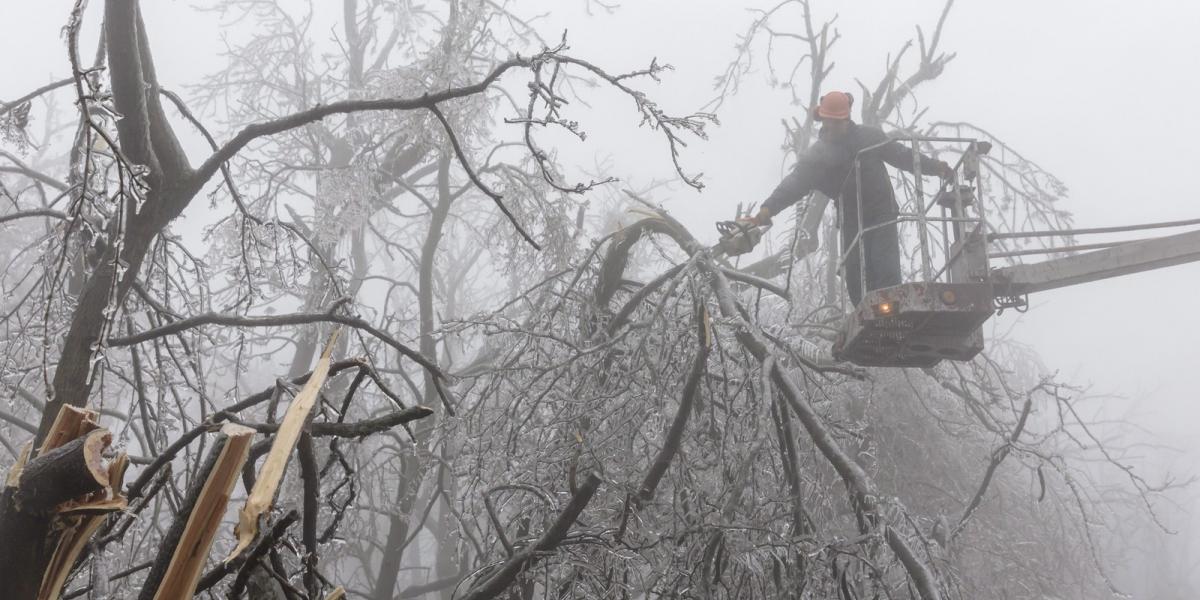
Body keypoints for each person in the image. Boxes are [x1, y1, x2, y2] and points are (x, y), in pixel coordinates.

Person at [740, 91, 951, 305]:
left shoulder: (870, 138)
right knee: (855, 278)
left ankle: (891, 312)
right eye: (830, 122)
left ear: (846, 119)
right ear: (823, 120)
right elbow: (792, 185)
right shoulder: (817, 158)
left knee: (885, 268)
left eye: (838, 122)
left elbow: (903, 156)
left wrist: (936, 167)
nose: (833, 127)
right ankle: (867, 316)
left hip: (881, 213)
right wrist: (765, 212)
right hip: (851, 220)